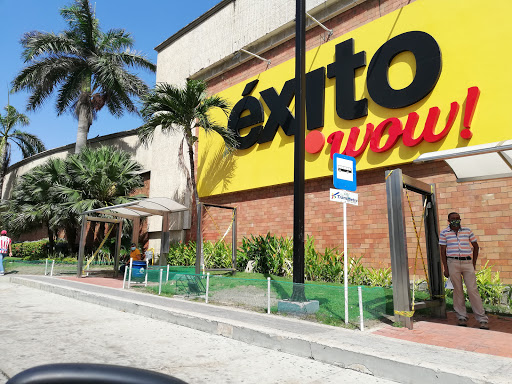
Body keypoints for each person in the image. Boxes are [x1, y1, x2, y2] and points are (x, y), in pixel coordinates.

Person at [439, 212, 489, 329]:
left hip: (467, 262)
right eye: (453, 219)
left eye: (457, 218)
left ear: (460, 219)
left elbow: (476, 246)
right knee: (457, 290)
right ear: (448, 221)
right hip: (453, 262)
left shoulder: (467, 231)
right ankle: (461, 316)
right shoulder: (444, 233)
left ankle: (482, 318)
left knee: (472, 290)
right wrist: (445, 268)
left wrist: (473, 263)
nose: (455, 220)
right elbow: (442, 251)